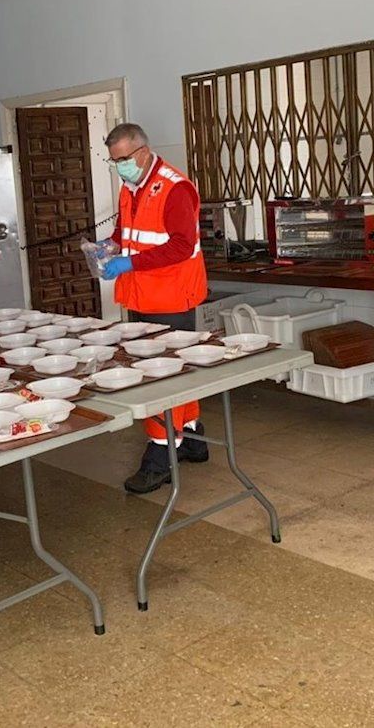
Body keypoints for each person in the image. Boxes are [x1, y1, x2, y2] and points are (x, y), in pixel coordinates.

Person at [99, 123, 210, 493]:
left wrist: (130, 264)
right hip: (142, 295)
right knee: (182, 369)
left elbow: (181, 246)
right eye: (114, 161)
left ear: (143, 152)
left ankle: (161, 455)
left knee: (161, 376)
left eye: (124, 160)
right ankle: (192, 436)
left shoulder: (175, 188)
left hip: (170, 298)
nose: (119, 167)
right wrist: (110, 247)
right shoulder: (131, 187)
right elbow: (128, 232)